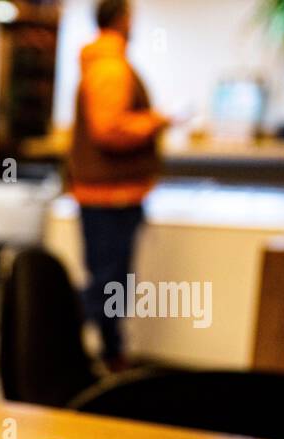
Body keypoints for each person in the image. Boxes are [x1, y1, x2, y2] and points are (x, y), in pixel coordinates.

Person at [68, 0, 168, 373]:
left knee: (111, 281)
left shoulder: (105, 62)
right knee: (109, 283)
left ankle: (111, 355)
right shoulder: (110, 67)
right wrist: (154, 122)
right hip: (109, 197)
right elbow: (108, 129)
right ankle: (55, 332)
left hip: (110, 194)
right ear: (123, 20)